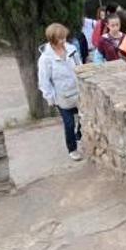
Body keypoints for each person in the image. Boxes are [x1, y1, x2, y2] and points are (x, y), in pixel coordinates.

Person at [38, 23, 84, 161]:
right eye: (60, 38)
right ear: (52, 39)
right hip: (61, 96)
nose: (63, 41)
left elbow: (80, 66)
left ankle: (80, 135)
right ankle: (72, 149)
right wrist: (51, 99)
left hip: (78, 91)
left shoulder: (71, 49)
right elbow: (44, 81)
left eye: (64, 37)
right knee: (69, 123)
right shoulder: (45, 59)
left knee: (84, 117)